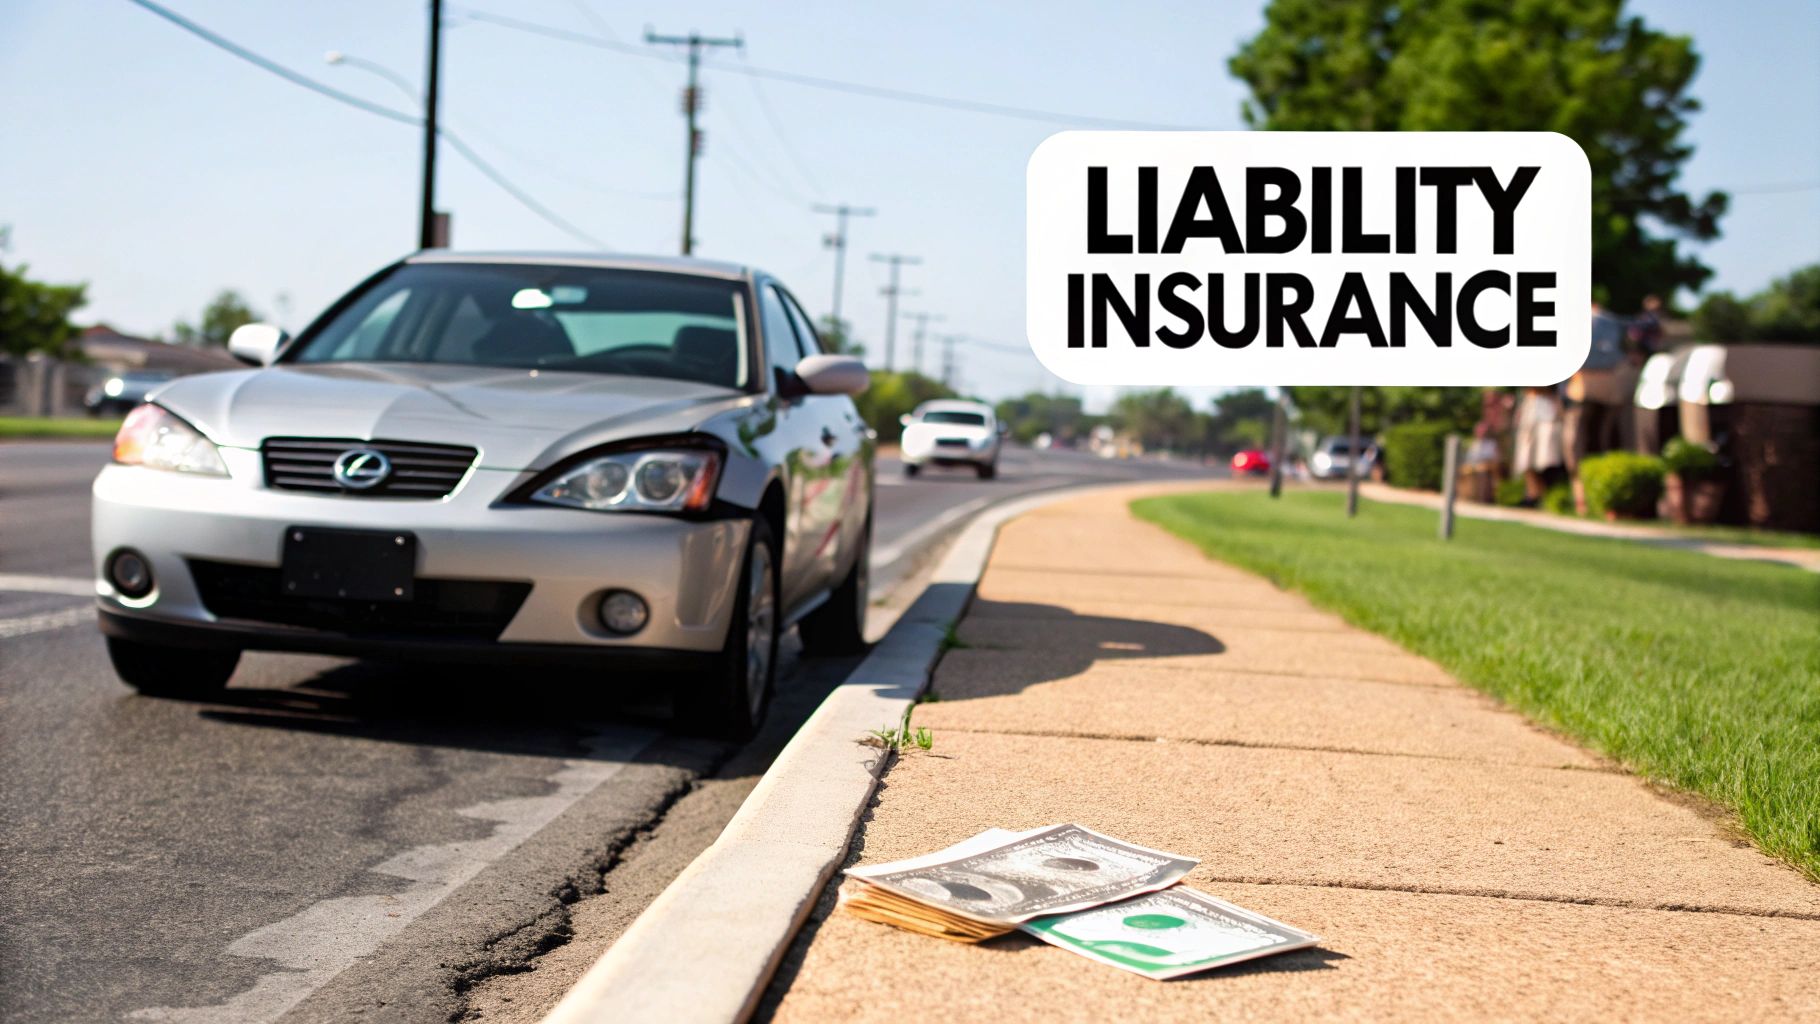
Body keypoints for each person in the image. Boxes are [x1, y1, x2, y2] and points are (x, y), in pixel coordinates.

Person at [1511, 386, 1564, 505]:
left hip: (1546, 409)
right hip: (1532, 407)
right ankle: (1532, 494)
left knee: (1546, 457)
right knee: (1526, 455)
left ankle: (1545, 495)